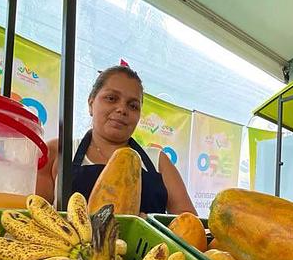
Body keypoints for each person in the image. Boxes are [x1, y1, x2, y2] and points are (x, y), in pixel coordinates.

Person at [36, 66, 196, 214]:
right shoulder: (58, 151)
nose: (122, 109)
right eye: (111, 98)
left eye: (133, 106)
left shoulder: (158, 162)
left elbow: (189, 225)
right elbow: (34, 216)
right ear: (91, 103)